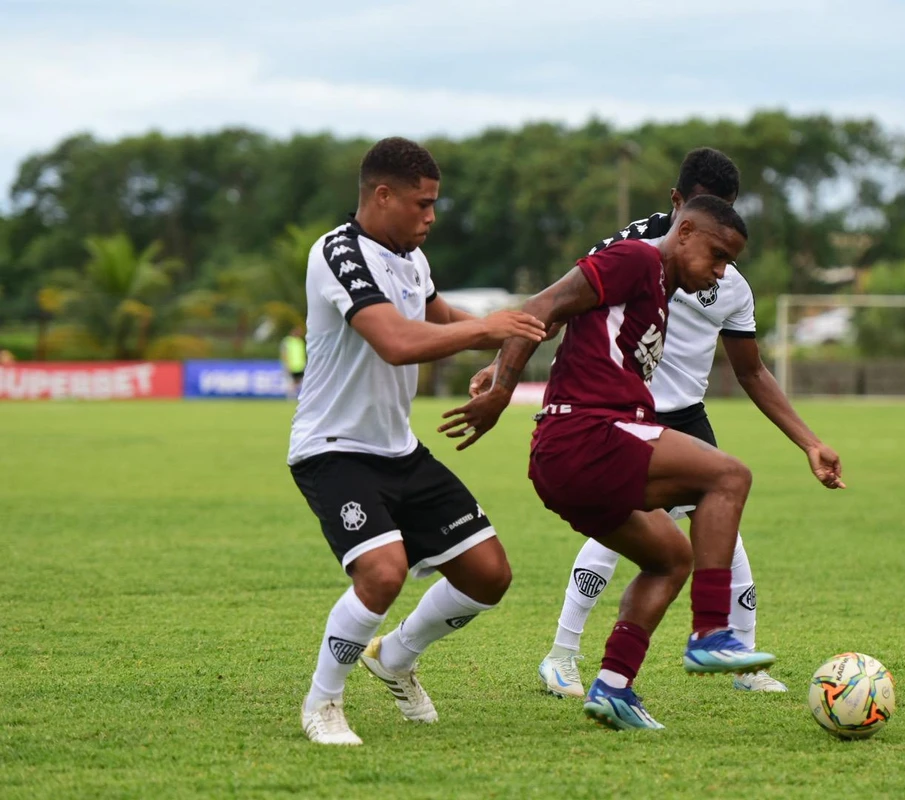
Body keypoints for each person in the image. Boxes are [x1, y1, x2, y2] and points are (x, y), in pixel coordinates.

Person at [442, 196, 831, 731]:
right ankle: (710, 632)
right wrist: (501, 387)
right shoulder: (637, 260)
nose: (721, 273)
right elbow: (540, 307)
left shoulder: (663, 291)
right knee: (730, 476)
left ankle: (614, 687)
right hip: (584, 434)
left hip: (576, 454)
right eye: (717, 257)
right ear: (685, 228)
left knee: (670, 558)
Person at [287, 136, 545, 746]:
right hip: (334, 447)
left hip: (398, 449)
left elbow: (444, 323)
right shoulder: (338, 252)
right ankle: (322, 703)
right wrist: (489, 328)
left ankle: (395, 655)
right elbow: (397, 341)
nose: (431, 216)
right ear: (383, 195)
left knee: (488, 575)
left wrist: (517, 334)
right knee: (382, 572)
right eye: (422, 203)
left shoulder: (411, 257)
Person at [280, 325, 307, 395]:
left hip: (300, 365)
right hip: (291, 365)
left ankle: (296, 394)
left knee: (298, 381)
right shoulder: (287, 341)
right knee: (291, 381)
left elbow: (303, 353)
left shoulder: (300, 342)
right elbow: (284, 353)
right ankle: (291, 396)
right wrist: (286, 363)